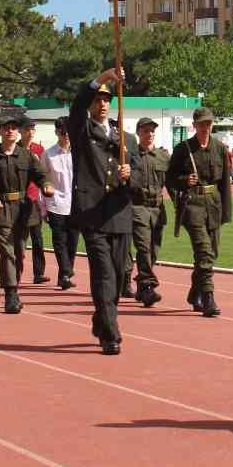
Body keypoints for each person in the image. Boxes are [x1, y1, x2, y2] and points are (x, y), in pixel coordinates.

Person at [67, 68, 135, 355]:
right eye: (98, 99)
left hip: (119, 214)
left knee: (119, 277)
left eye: (106, 100)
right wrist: (104, 77)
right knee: (104, 276)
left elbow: (141, 176)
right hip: (92, 214)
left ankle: (100, 318)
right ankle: (110, 333)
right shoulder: (82, 131)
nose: (102, 104)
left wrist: (129, 173)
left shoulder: (124, 138)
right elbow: (76, 105)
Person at [0, 113, 54, 315]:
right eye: (6, 127)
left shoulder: (27, 156)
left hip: (23, 210)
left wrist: (46, 185)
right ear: (0, 131)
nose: (10, 130)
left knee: (19, 252)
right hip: (2, 210)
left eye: (13, 127)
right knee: (6, 252)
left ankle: (14, 287)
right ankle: (10, 294)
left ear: (18, 132)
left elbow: (40, 175)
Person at [166, 106, 232, 318]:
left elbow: (225, 184)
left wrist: (225, 212)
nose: (205, 127)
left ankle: (195, 294)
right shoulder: (183, 149)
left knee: (211, 253)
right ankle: (208, 297)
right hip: (193, 205)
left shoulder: (220, 148)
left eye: (209, 123)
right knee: (204, 251)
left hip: (213, 204)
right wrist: (184, 181)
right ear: (194, 125)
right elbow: (169, 179)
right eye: (202, 124)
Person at [127, 117, 168, 307]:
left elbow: (173, 181)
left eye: (152, 131)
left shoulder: (162, 156)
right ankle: (149, 287)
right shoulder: (130, 156)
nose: (149, 134)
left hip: (158, 208)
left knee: (153, 251)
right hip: (138, 206)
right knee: (143, 248)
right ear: (138, 133)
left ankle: (142, 287)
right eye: (145, 131)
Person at [42, 117, 77, 290]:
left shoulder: (78, 153)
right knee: (59, 241)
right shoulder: (48, 154)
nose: (66, 135)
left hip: (75, 204)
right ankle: (65, 270)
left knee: (73, 241)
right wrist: (43, 208)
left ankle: (64, 274)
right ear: (57, 132)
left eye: (69, 131)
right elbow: (42, 179)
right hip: (55, 203)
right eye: (63, 132)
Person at [22, 120, 52, 286]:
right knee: (19, 240)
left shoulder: (39, 150)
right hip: (17, 199)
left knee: (37, 238)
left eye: (33, 129)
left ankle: (38, 272)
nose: (30, 132)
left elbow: (43, 175)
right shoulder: (15, 148)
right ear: (21, 131)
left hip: (34, 199)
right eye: (27, 129)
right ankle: (15, 269)